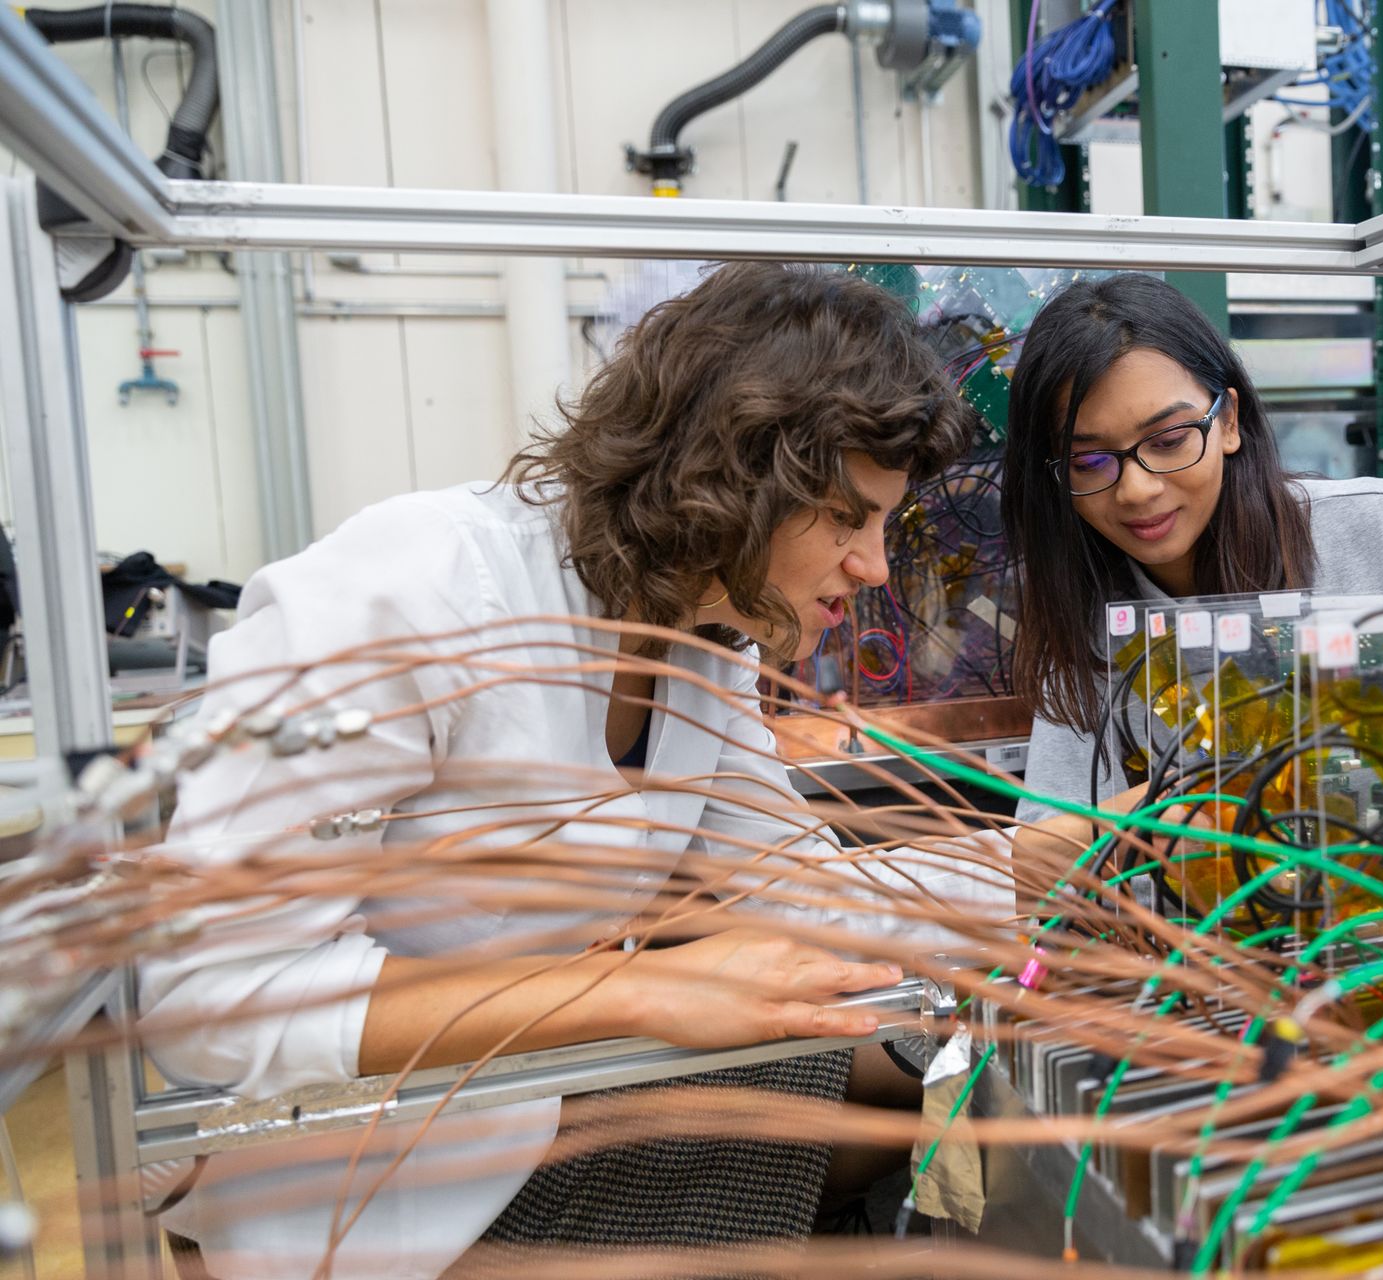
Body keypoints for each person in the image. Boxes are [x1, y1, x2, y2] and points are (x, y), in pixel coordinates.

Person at [138, 262, 998, 1279]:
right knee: (886, 1130)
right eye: (848, 518)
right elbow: (213, 1000)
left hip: (521, 1105)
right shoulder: (419, 587)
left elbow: (794, 887)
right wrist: (630, 989)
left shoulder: (697, 636)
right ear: (732, 476)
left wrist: (1050, 864)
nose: (874, 568)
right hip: (359, 1193)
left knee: (907, 1079)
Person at [1000, 272, 1383, 835]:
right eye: (1088, 463)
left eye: (1168, 441)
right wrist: (1197, 809)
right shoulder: (1087, 614)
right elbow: (1042, 855)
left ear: (1228, 421)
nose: (1136, 489)